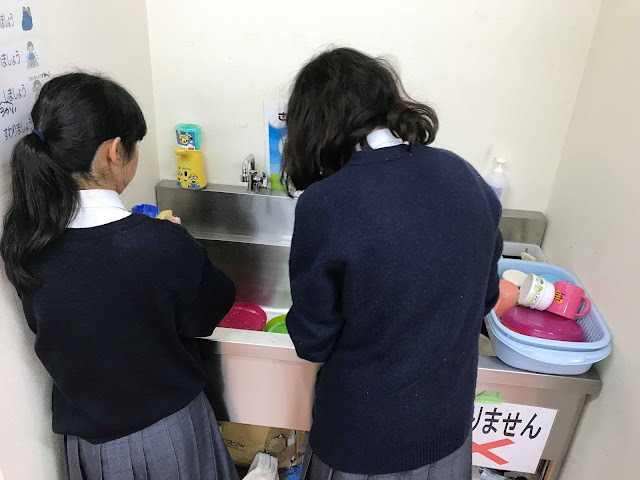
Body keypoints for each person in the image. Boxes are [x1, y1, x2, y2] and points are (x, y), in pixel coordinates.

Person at [0, 73, 239, 480]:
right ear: (113, 151)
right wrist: (180, 243)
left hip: (88, 450)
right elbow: (212, 308)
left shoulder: (26, 243)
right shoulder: (159, 244)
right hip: (168, 435)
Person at [282, 48, 503, 480]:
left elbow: (312, 339)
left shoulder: (326, 204)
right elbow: (485, 297)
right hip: (448, 433)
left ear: (314, 124)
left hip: (363, 444)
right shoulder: (464, 174)